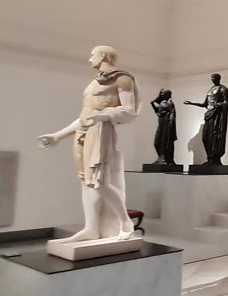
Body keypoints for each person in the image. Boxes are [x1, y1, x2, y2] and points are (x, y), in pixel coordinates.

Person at [37, 45, 140, 242]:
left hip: (101, 132)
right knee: (86, 182)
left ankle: (126, 222)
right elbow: (85, 117)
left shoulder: (122, 78)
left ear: (102, 56)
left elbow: (129, 110)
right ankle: (91, 228)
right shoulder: (95, 82)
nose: (89, 58)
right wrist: (57, 136)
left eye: (92, 54)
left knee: (98, 181)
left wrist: (104, 116)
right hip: (83, 133)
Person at [184, 73, 228, 165]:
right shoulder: (211, 90)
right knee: (205, 137)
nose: (212, 80)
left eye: (214, 78)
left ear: (218, 78)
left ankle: (214, 159)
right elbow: (205, 104)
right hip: (209, 115)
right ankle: (209, 158)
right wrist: (191, 103)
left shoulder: (223, 89)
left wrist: (218, 104)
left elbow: (226, 102)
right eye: (211, 78)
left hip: (216, 116)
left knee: (214, 137)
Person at [150, 89, 177, 165]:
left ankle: (165, 158)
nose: (161, 95)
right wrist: (156, 100)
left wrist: (170, 124)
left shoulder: (169, 103)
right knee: (157, 142)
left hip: (166, 124)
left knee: (165, 142)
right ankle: (160, 157)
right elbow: (155, 107)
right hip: (161, 123)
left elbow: (172, 113)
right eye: (161, 94)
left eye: (163, 94)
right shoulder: (162, 102)